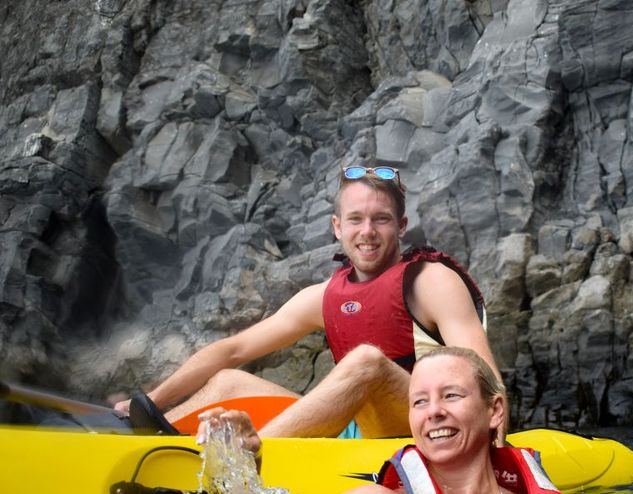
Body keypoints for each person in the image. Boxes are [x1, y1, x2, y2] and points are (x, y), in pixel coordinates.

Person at [114, 165, 501, 439]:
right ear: (337, 227)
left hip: (425, 424)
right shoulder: (323, 297)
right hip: (355, 432)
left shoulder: (431, 281)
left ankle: (249, 457)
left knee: (367, 362)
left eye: (381, 220)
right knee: (228, 380)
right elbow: (234, 348)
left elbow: (485, 378)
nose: (367, 232)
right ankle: (139, 438)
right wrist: (149, 402)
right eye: (355, 219)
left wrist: (497, 455)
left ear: (400, 227)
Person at [198, 347, 566, 494]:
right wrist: (245, 468)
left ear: (495, 411)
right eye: (419, 401)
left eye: (451, 395)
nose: (433, 411)